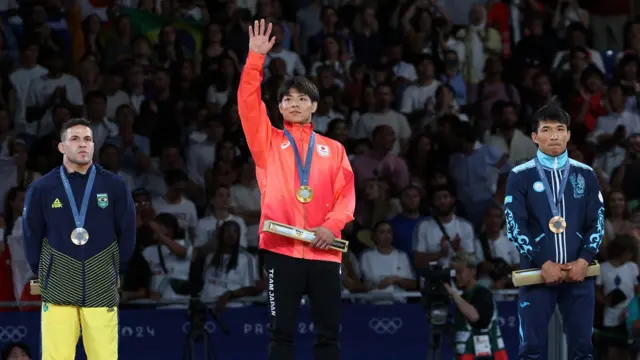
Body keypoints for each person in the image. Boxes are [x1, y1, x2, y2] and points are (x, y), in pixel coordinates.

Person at [237, 19, 356, 360]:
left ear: (314, 106)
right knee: (281, 335)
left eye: (302, 98)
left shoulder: (333, 149)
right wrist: (255, 59)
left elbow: (345, 196)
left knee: (328, 335)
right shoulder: (268, 142)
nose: (293, 103)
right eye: (287, 99)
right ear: (279, 107)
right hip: (282, 250)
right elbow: (247, 104)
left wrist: (329, 228)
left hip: (325, 249)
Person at [21, 118, 136, 360]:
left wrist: (116, 268)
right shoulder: (42, 188)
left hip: (100, 282)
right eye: (74, 139)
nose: (82, 144)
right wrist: (46, 270)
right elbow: (31, 235)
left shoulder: (114, 185)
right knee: (56, 357)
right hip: (58, 282)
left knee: (104, 356)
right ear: (62, 147)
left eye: (87, 139)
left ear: (94, 145)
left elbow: (127, 231)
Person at [504, 104, 604, 359]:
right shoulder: (520, 176)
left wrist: (584, 259)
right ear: (535, 137)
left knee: (583, 349)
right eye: (546, 130)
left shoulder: (586, 174)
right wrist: (543, 262)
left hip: (579, 274)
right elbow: (515, 225)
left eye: (560, 129)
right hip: (536, 274)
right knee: (532, 350)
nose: (554, 135)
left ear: (569, 134)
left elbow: (597, 222)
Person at [446, 252, 508, 360]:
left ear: (473, 271)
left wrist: (453, 294)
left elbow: (474, 316)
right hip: (465, 355)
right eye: (453, 272)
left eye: (460, 272)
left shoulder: (483, 293)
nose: (456, 276)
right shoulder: (461, 298)